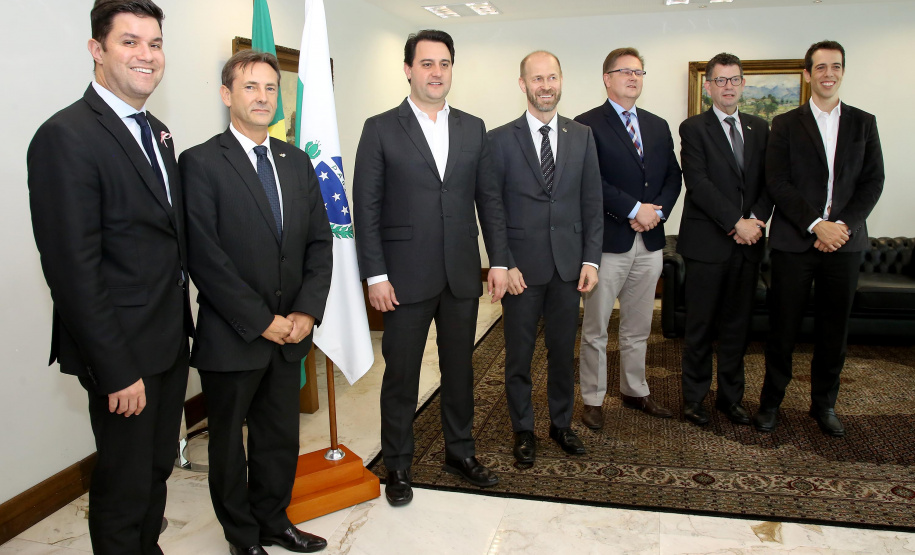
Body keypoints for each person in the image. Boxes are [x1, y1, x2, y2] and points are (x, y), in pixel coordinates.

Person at [27, 1, 193, 553]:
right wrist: (117, 369)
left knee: (155, 471)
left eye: (154, 43)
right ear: (97, 50)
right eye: (130, 42)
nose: (146, 55)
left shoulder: (158, 133)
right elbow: (72, 270)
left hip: (167, 343)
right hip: (122, 356)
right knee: (124, 486)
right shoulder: (67, 137)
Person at [179, 50, 332, 554]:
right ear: (227, 96)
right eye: (250, 87)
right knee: (228, 447)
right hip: (234, 335)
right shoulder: (200, 162)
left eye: (270, 88)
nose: (263, 97)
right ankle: (241, 538)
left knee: (278, 439)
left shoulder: (296, 160)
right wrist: (261, 320)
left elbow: (318, 243)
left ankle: (273, 520)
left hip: (291, 334)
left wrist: (306, 312)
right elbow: (206, 257)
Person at [353, 29, 510, 506]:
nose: (435, 72)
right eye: (426, 63)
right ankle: (398, 464)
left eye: (443, 63)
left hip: (462, 272)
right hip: (403, 278)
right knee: (401, 375)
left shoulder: (472, 127)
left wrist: (498, 261)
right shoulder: (380, 128)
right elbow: (368, 206)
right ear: (408, 69)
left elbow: (489, 201)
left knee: (460, 369)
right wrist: (375, 276)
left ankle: (459, 452)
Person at [754, 40, 884, 437]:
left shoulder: (864, 122)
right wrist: (815, 224)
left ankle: (824, 404)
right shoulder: (785, 124)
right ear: (808, 74)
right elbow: (776, 181)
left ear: (842, 72)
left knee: (834, 330)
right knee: (784, 328)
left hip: (845, 244)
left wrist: (839, 227)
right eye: (821, 67)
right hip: (795, 242)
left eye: (836, 66)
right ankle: (771, 402)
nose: (829, 73)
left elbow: (872, 181)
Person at [487, 51, 603, 464]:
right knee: (518, 355)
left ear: (561, 81)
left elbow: (592, 201)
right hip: (521, 270)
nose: (546, 85)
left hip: (569, 269)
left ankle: (561, 424)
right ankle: (523, 430)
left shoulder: (582, 135)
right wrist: (503, 262)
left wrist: (591, 260)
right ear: (523, 84)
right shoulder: (499, 139)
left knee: (561, 352)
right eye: (537, 79)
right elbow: (494, 207)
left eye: (552, 77)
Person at [574, 47, 682, 429]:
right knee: (596, 328)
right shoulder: (585, 125)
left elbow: (674, 176)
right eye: (624, 72)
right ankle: (593, 398)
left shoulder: (657, 124)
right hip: (606, 244)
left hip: (650, 243)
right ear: (607, 78)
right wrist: (635, 209)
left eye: (639, 72)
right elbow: (589, 182)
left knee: (639, 327)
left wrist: (656, 212)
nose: (633, 78)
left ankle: (636, 390)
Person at [677, 53, 772, 426]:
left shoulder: (760, 128)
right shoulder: (693, 128)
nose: (728, 86)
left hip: (749, 247)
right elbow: (698, 184)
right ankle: (694, 399)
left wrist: (756, 221)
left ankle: (731, 398)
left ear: (743, 84)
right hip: (707, 245)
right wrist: (736, 222)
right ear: (708, 86)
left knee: (737, 327)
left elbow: (770, 182)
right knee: (700, 327)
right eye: (720, 80)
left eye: (734, 80)